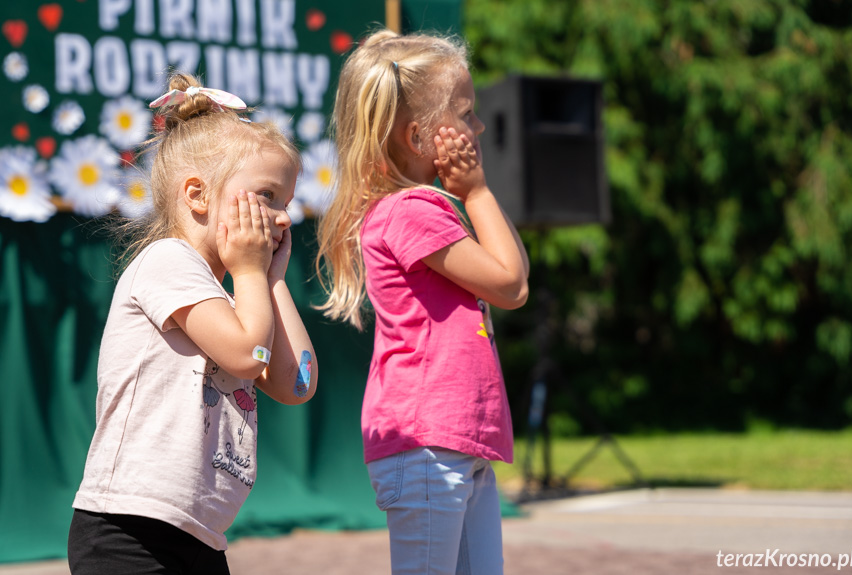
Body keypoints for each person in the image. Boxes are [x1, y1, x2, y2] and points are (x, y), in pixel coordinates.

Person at [67, 73, 318, 575]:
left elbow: (298, 383)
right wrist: (249, 271)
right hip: (128, 530)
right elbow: (249, 355)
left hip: (197, 534)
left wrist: (270, 279)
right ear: (198, 195)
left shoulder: (236, 298)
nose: (283, 219)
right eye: (266, 197)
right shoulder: (167, 262)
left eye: (286, 204)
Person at [316, 29, 529, 574]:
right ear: (419, 136)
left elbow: (512, 275)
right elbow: (511, 286)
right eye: (466, 113)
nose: (477, 126)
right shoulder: (410, 212)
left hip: (456, 441)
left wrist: (474, 195)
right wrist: (477, 193)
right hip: (427, 444)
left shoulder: (422, 208)